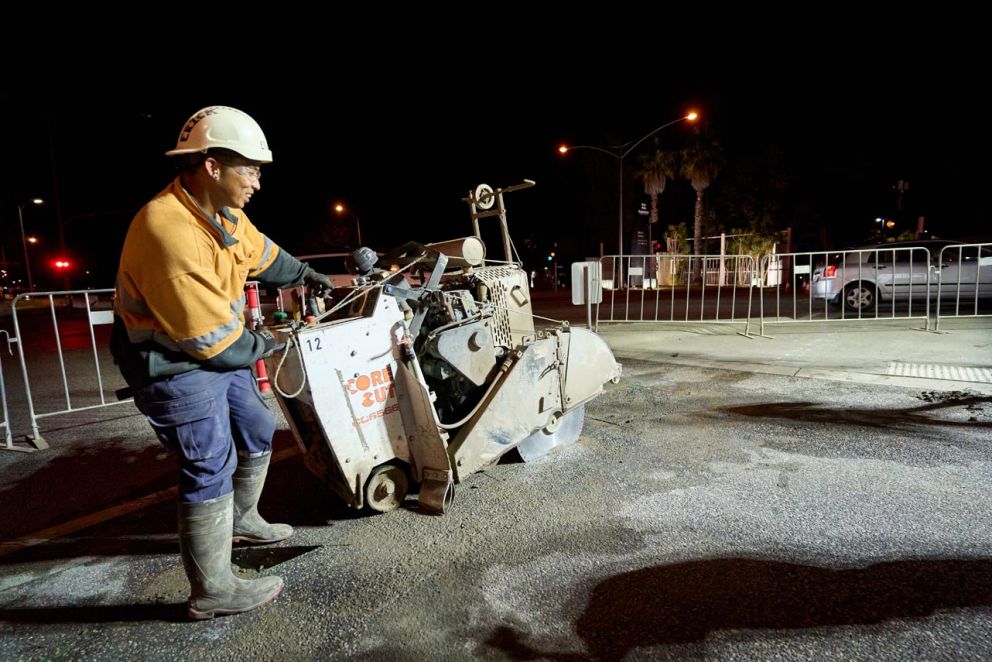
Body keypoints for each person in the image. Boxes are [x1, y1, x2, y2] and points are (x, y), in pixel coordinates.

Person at [110, 106, 334, 620]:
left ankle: (244, 517)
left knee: (255, 424)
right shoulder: (166, 228)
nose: (257, 181)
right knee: (209, 459)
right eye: (249, 169)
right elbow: (213, 340)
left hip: (209, 348)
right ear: (213, 166)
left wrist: (303, 273)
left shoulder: (224, 214)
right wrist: (274, 342)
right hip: (171, 360)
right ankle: (211, 590)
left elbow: (260, 254)